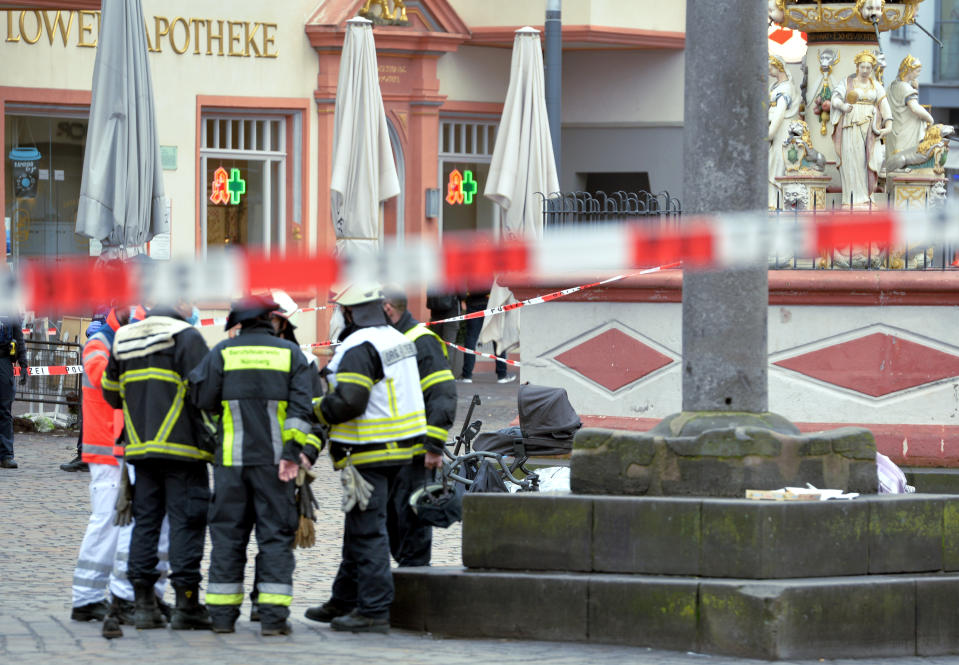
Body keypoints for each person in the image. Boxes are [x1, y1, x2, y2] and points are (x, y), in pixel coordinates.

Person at [189, 294, 323, 636]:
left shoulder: (223, 352)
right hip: (277, 466)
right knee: (275, 539)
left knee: (228, 539)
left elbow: (201, 399)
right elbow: (301, 411)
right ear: (271, 320)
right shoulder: (291, 354)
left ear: (240, 322)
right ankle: (273, 620)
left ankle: (221, 618)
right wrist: (292, 455)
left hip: (230, 465)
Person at [304, 283, 426, 634]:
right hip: (399, 449)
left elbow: (350, 402)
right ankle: (343, 600)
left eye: (342, 311)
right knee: (359, 528)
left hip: (368, 452)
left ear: (351, 312)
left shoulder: (359, 347)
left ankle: (373, 610)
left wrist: (316, 409)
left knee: (368, 531)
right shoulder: (396, 338)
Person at [101, 300, 214, 631]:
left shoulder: (124, 337)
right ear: (179, 303)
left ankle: (144, 606)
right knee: (186, 523)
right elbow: (204, 392)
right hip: (184, 450)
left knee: (146, 524)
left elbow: (111, 393)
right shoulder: (186, 335)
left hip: (141, 450)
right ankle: (186, 605)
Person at [69, 306, 169, 632]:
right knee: (108, 523)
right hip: (108, 451)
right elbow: (106, 380)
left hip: (130, 446)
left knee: (136, 525)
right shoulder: (100, 342)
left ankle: (137, 595)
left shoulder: (123, 337)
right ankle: (87, 599)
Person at [381, 285, 455, 566]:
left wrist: (434, 447)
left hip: (414, 453)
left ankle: (416, 583)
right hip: (388, 449)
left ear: (388, 308)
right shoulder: (389, 338)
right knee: (392, 523)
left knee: (412, 523)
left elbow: (443, 394)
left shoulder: (421, 341)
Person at [831, 50, 892, 206]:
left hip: (871, 126)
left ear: (872, 69)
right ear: (857, 67)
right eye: (862, 67)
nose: (865, 70)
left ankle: (868, 195)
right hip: (851, 124)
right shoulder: (847, 82)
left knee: (874, 159)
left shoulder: (875, 85)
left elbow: (884, 105)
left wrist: (889, 124)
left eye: (868, 68)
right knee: (853, 160)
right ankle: (853, 199)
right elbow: (835, 98)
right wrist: (843, 106)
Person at [61, 318, 104, 473]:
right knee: (89, 411)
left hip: (104, 355)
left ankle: (89, 456)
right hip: (96, 354)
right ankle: (84, 455)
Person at [886, 54, 934, 165]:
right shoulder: (905, 87)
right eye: (917, 71)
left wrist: (913, 88)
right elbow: (914, 107)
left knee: (894, 162)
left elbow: (899, 104)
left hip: (894, 130)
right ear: (909, 70)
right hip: (906, 132)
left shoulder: (892, 85)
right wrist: (929, 118)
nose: (918, 74)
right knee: (905, 161)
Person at [768, 55, 801, 209]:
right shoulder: (775, 86)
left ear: (778, 67)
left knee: (777, 161)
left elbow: (780, 113)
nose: (768, 70)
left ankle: (776, 202)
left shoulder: (786, 87)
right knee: (771, 161)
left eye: (770, 66)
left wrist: (770, 133)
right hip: (773, 126)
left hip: (781, 129)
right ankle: (771, 200)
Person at [0, 312, 27, 468]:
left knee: (4, 410)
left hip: (3, 361)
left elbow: (19, 338)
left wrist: (24, 364)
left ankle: (6, 455)